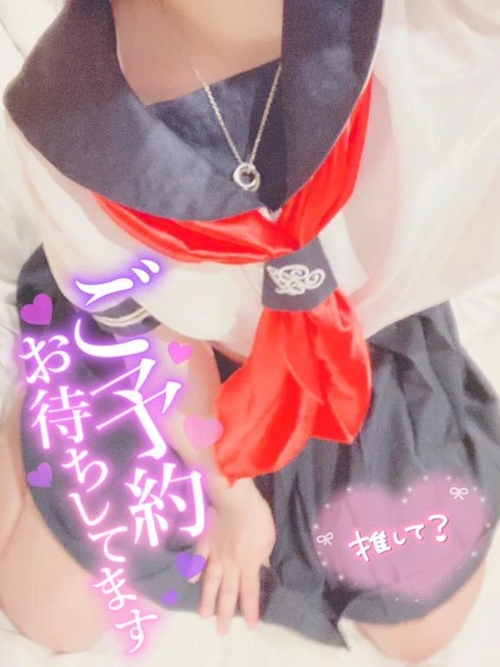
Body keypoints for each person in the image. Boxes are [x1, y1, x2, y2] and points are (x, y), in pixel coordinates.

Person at [2, 0, 500, 662]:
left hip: (358, 347)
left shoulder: (445, 35)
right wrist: (230, 497)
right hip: (181, 360)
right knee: (47, 613)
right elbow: (154, 326)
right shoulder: (64, 124)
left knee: (420, 627)